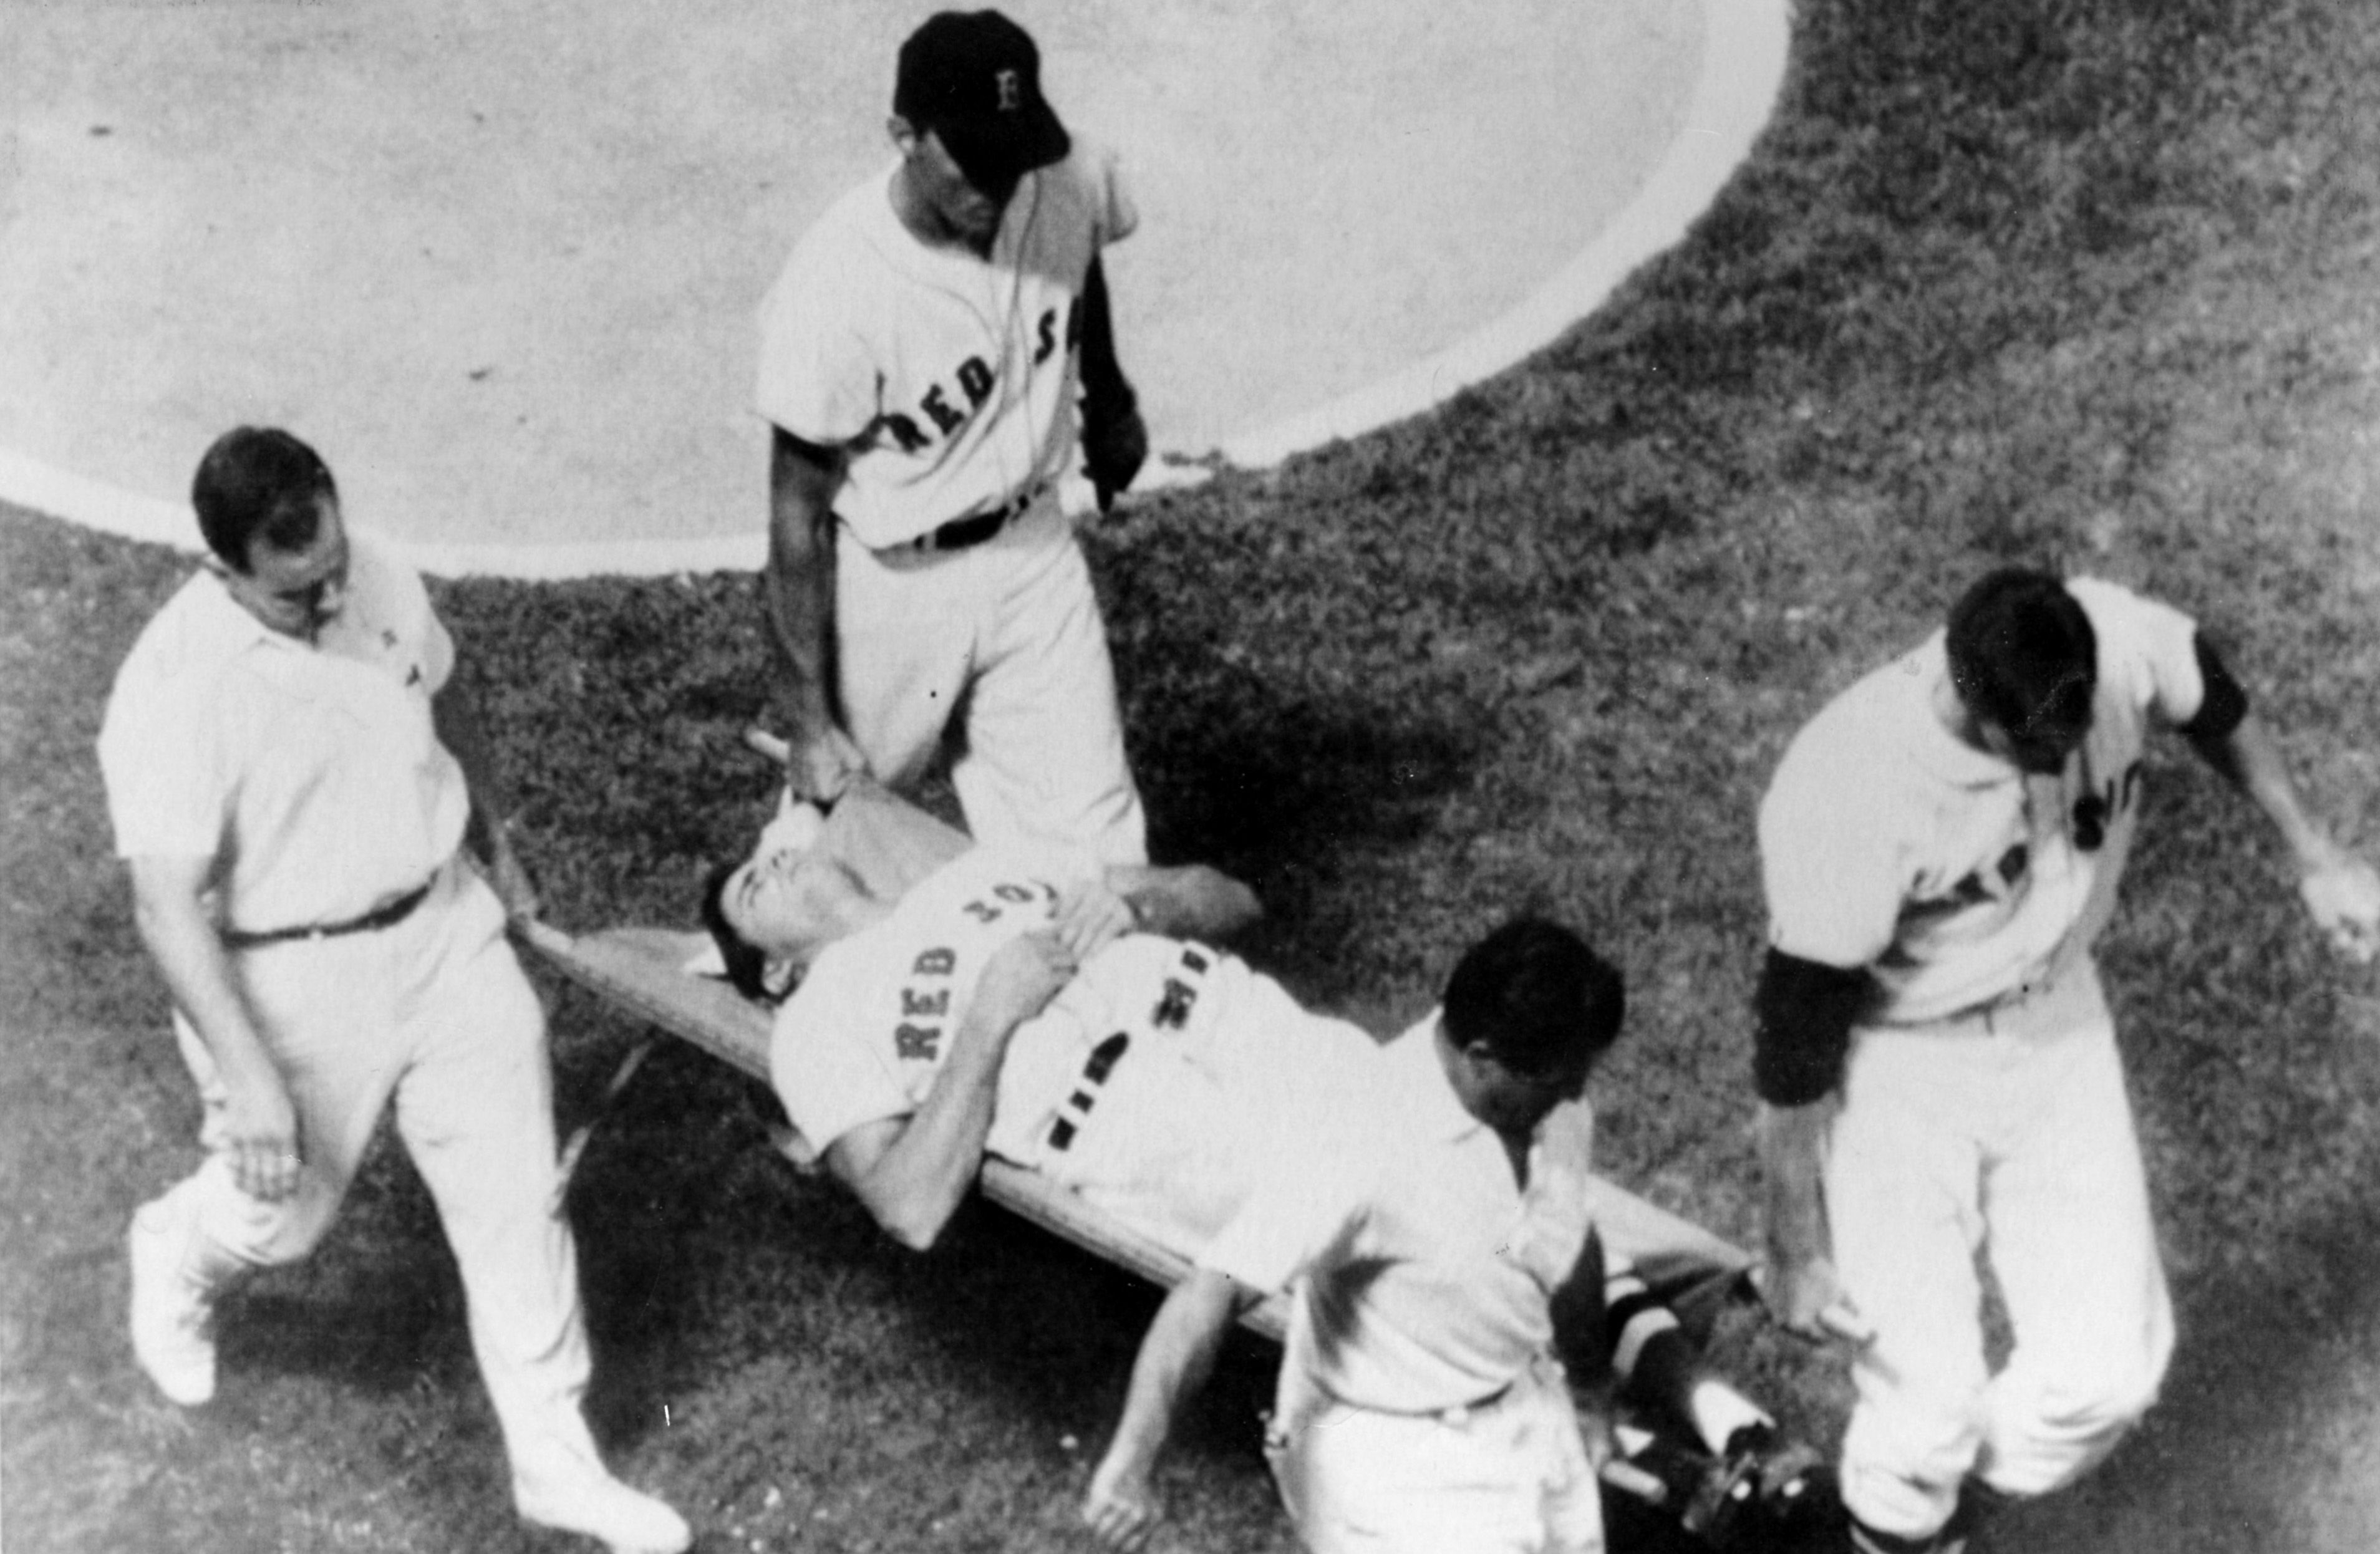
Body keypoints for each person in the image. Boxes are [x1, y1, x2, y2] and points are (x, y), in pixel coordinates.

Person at [705, 821, 1823, 1547]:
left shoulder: (979, 870)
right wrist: (992, 1018)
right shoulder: (820, 1021)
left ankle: (1725, 1432)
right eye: (756, 887)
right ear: (773, 966)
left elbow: (1233, 894)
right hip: (1133, 1114)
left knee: (1503, 1175)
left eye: (776, 845)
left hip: (1241, 1015)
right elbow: (908, 1206)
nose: (783, 858)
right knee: (1443, 1248)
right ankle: (1677, 1470)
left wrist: (1130, 904)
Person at [97, 428, 692, 1554]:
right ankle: (176, 1250)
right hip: (289, 974)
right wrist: (253, 1077)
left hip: (443, 930)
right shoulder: (175, 686)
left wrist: (498, 839)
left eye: (330, 566)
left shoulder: (369, 568)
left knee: (517, 1198)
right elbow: (164, 908)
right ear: (224, 569)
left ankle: (557, 1465)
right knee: (282, 1219)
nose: (328, 598)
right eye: (295, 592)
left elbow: (444, 690)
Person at [1749, 567, 2380, 1554]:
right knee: (1926, 1402)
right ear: (1967, 694)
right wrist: (1792, 1246)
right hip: (1901, 1072)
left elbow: (2208, 691)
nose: (2067, 756)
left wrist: (2315, 852)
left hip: (2059, 1027)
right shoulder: (1852, 784)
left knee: (2108, 1374)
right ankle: (1901, 1510)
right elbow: (1793, 1047)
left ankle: (1922, 1513)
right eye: (2037, 742)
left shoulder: (2114, 642)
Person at [1079, 919, 1625, 1554]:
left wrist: (1588, 1389)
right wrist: (1133, 1456)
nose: (1578, 1093)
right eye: (1558, 1080)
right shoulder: (1359, 1137)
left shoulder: (1551, 1099)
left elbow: (1567, 1235)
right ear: (1481, 1057)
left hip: (1523, 1404)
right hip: (1392, 1460)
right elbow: (1209, 1294)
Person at [755, 7, 1152, 865]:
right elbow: (795, 521)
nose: (999, 185)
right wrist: (810, 724)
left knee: (1100, 854)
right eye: (972, 161)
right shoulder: (836, 288)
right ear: (905, 135)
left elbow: (1079, 260)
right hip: (898, 587)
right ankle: (764, 973)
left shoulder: (1066, 177)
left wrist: (1110, 399)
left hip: (1034, 554)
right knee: (830, 844)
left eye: (1012, 158)